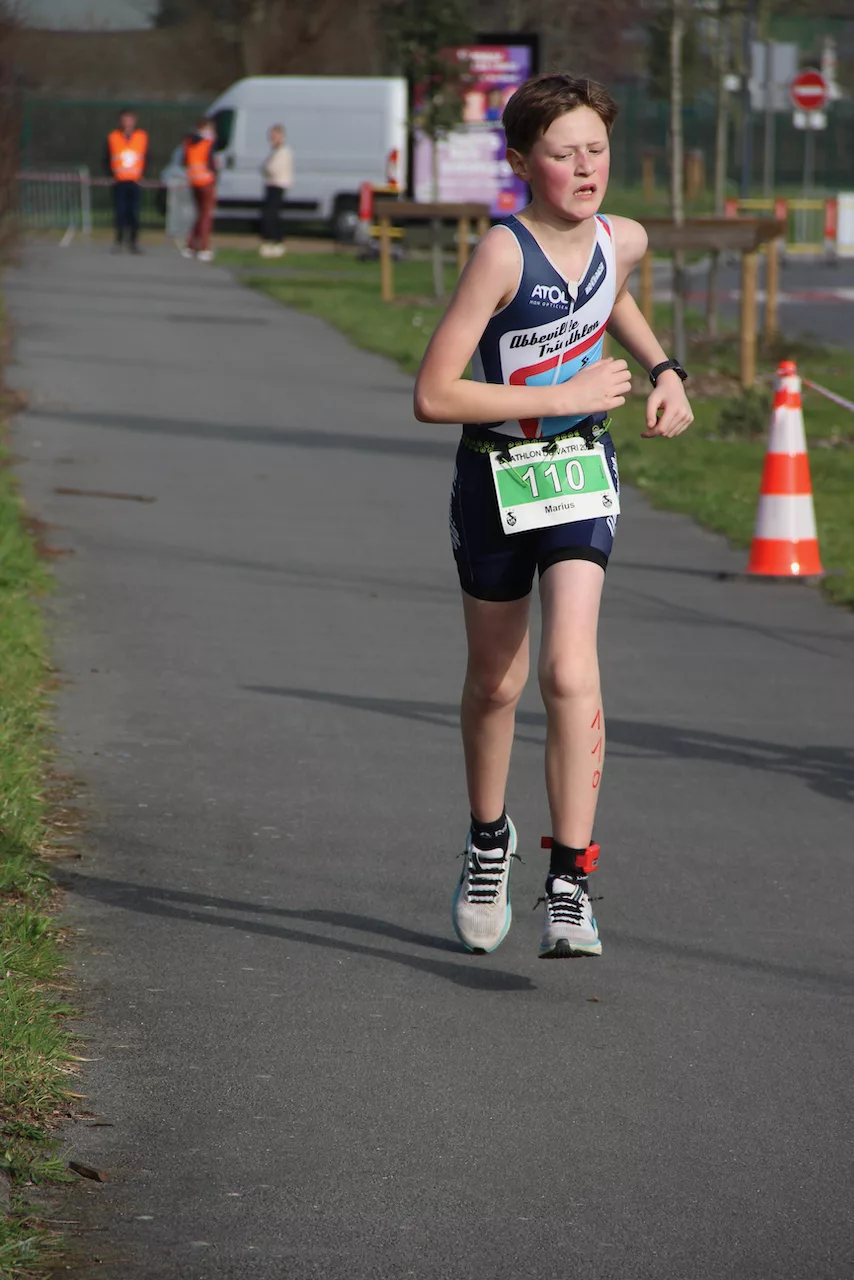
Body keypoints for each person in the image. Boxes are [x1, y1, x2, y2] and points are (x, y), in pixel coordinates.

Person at [413, 73, 693, 960]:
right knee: (497, 682)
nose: (584, 168)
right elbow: (434, 394)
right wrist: (563, 391)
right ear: (521, 162)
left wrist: (666, 371)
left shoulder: (624, 237)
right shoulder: (502, 254)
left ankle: (570, 881)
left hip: (578, 470)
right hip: (495, 476)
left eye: (596, 150)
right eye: (564, 154)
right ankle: (486, 841)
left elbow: (611, 293)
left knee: (570, 671)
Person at [105, 108, 148, 253]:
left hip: (135, 180)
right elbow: (107, 157)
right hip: (119, 181)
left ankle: (133, 241)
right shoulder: (113, 136)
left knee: (134, 212)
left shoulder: (141, 136)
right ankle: (119, 240)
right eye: (124, 120)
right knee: (120, 212)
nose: (127, 123)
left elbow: (146, 156)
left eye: (130, 120)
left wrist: (143, 174)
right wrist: (110, 174)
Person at [182, 118, 219, 262]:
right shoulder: (207, 143)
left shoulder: (188, 143)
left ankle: (191, 245)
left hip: (193, 181)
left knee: (199, 214)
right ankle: (204, 247)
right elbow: (211, 164)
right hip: (206, 181)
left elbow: (185, 161)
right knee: (206, 215)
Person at [259, 124, 293, 257]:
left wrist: (267, 168)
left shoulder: (284, 151)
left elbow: (273, 169)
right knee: (268, 214)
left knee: (273, 214)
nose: (272, 138)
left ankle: (277, 242)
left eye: (275, 135)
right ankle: (269, 241)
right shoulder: (274, 151)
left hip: (278, 184)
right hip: (271, 183)